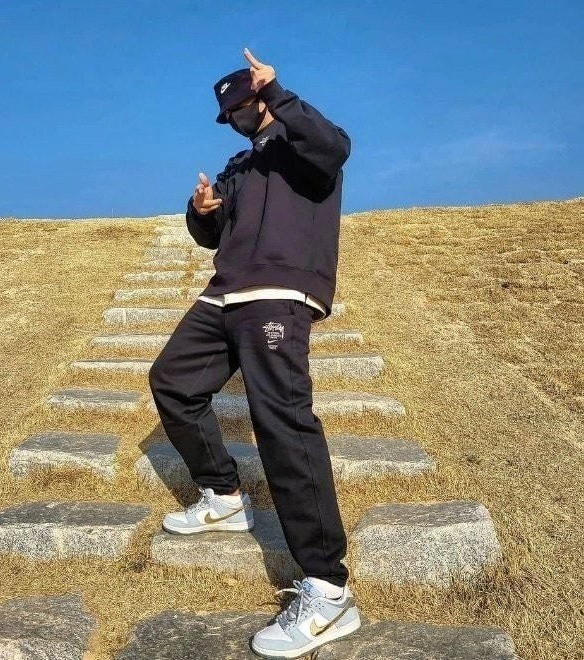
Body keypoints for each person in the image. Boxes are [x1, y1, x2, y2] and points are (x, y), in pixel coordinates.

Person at [148, 47, 361, 658]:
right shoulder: (238, 165)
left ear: (262, 97)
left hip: (279, 292)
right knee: (172, 382)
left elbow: (336, 148)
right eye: (229, 114)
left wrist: (281, 93)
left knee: (281, 422)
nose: (237, 118)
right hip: (225, 293)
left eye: (244, 105)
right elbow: (214, 236)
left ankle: (327, 590)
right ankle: (223, 495)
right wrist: (201, 213)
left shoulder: (304, 141)